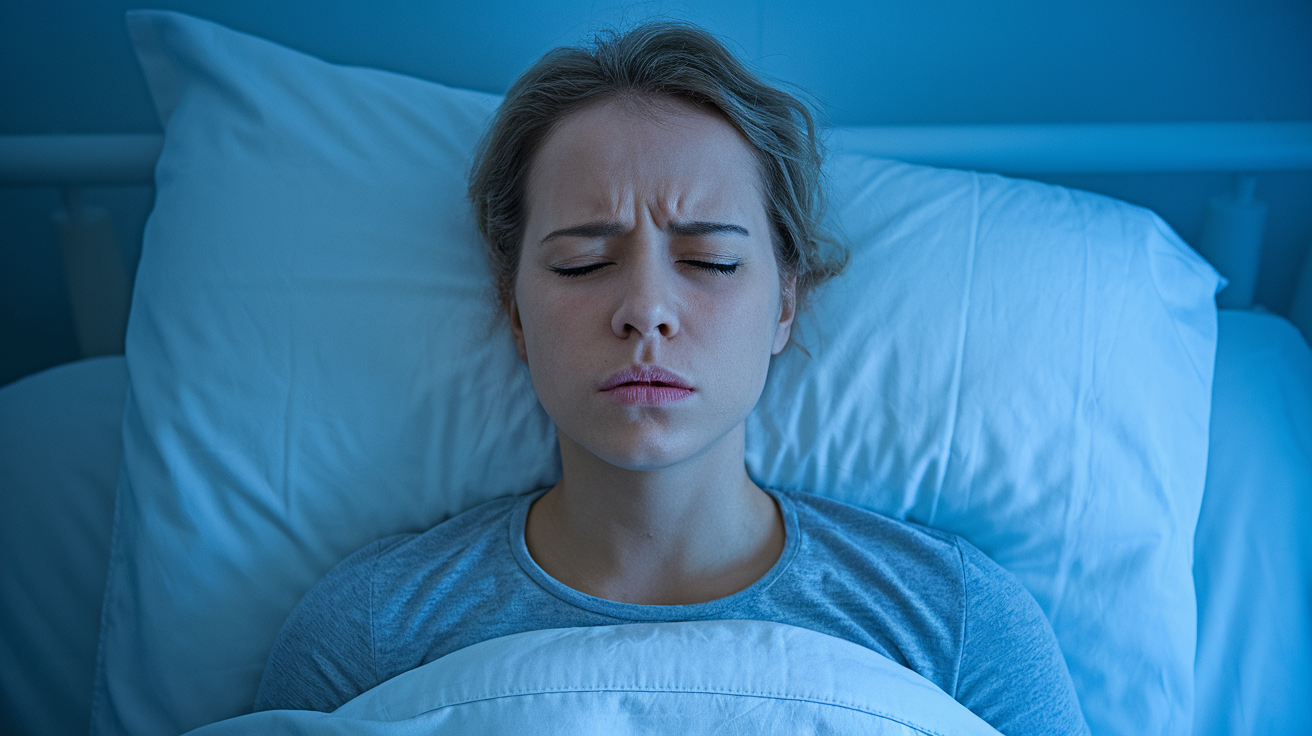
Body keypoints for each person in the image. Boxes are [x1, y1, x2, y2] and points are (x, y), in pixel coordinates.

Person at [254, 20, 1089, 735]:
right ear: (514, 311)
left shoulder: (956, 625)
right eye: (583, 264)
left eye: (711, 261)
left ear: (785, 306)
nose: (646, 310)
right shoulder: (369, 633)